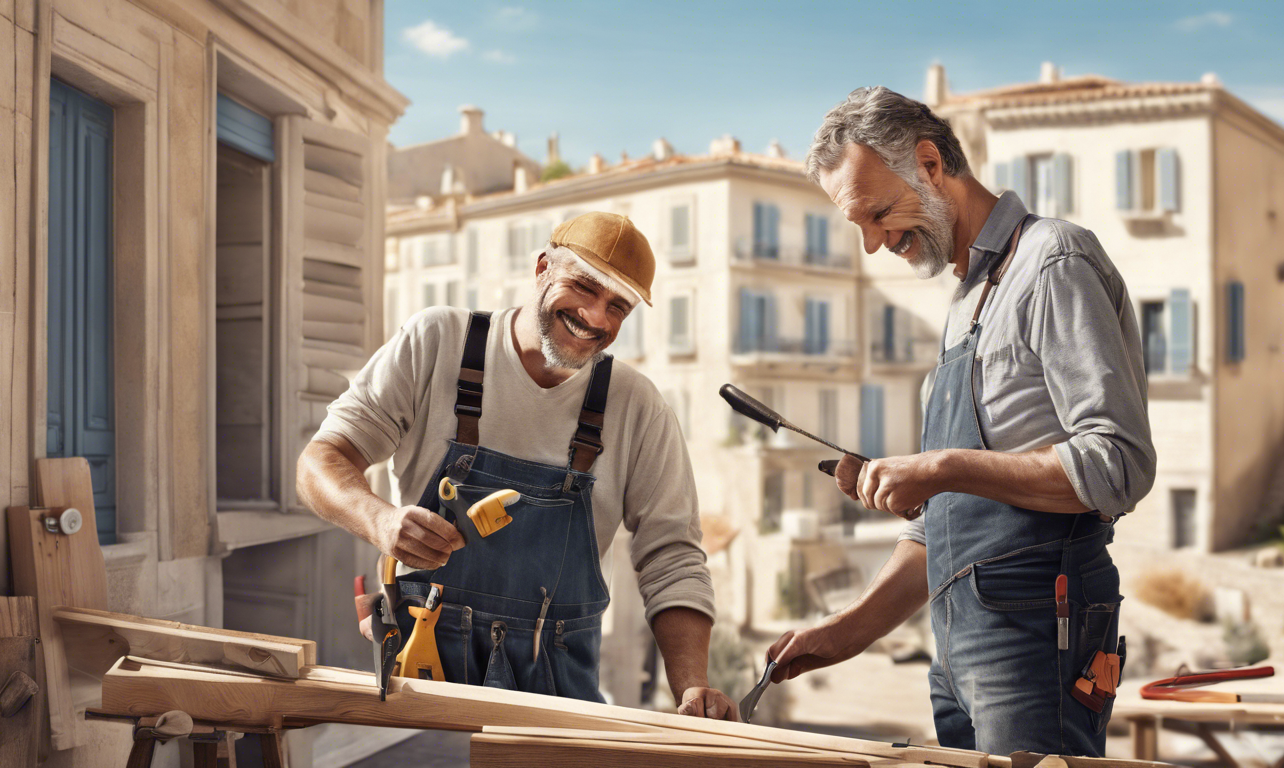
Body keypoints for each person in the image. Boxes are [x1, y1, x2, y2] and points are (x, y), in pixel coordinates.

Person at [768, 87, 1155, 756]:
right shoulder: (963, 304)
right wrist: (848, 632)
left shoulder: (1053, 262)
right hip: (959, 646)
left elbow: (1118, 465)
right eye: (855, 225)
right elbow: (943, 526)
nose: (872, 243)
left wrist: (940, 467)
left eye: (878, 213)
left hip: (1042, 627)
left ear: (929, 162)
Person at [298, 212, 737, 720]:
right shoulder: (436, 343)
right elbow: (319, 462)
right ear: (543, 267)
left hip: (559, 698)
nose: (595, 317)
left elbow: (672, 558)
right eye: (584, 287)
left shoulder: (638, 407)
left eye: (618, 307)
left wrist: (691, 687)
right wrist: (379, 520)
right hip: (422, 682)